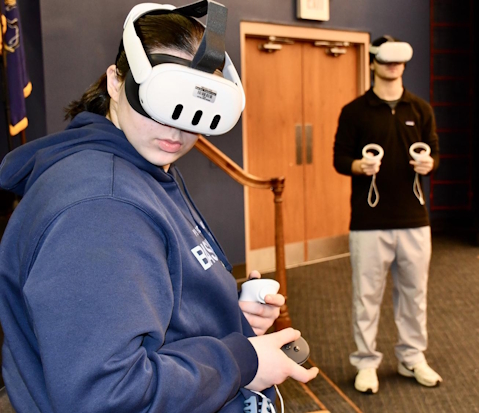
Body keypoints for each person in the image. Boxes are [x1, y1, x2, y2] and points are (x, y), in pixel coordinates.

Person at [0, 2, 318, 412]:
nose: (176, 131)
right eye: (163, 102)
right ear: (116, 82)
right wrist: (242, 361)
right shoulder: (100, 208)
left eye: (195, 114)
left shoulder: (145, 163)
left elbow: (143, 302)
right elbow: (107, 395)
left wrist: (225, 313)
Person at [333, 35, 442, 394]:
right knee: (366, 297)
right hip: (369, 223)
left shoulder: (421, 109)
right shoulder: (354, 111)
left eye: (398, 58)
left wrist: (428, 164)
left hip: (414, 221)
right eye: (385, 58)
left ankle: (412, 358)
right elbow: (339, 160)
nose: (392, 64)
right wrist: (359, 166)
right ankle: (366, 363)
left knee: (414, 294)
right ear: (373, 62)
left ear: (404, 62)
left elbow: (435, 156)